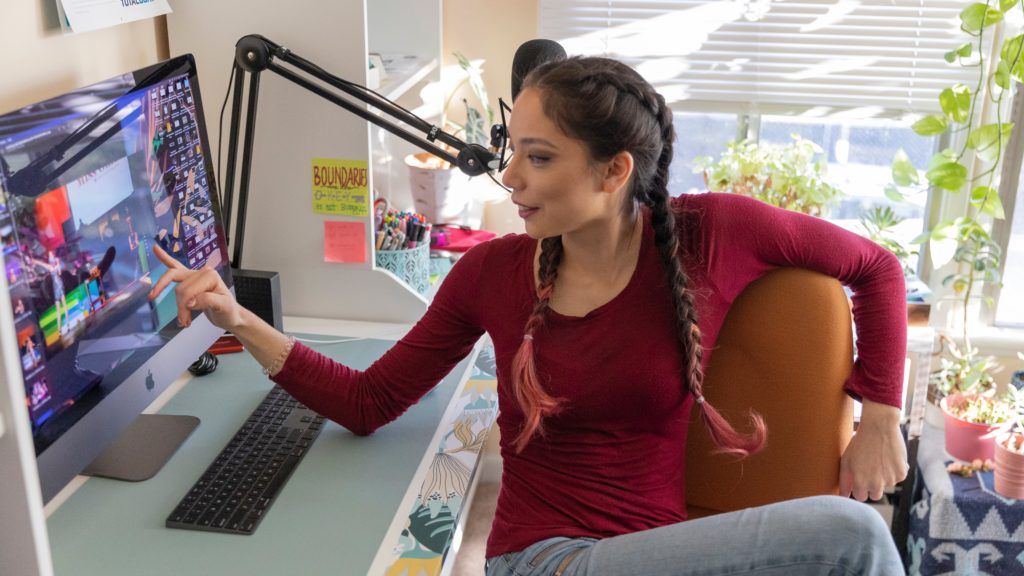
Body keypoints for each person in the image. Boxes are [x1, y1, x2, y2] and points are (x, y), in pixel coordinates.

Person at [149, 56, 909, 575]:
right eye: (513, 150)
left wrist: (880, 412)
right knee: (856, 535)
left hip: (658, 551)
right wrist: (237, 319)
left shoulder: (715, 234)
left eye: (539, 159)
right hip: (546, 559)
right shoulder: (492, 273)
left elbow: (875, 267)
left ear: (614, 172)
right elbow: (370, 400)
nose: (509, 176)